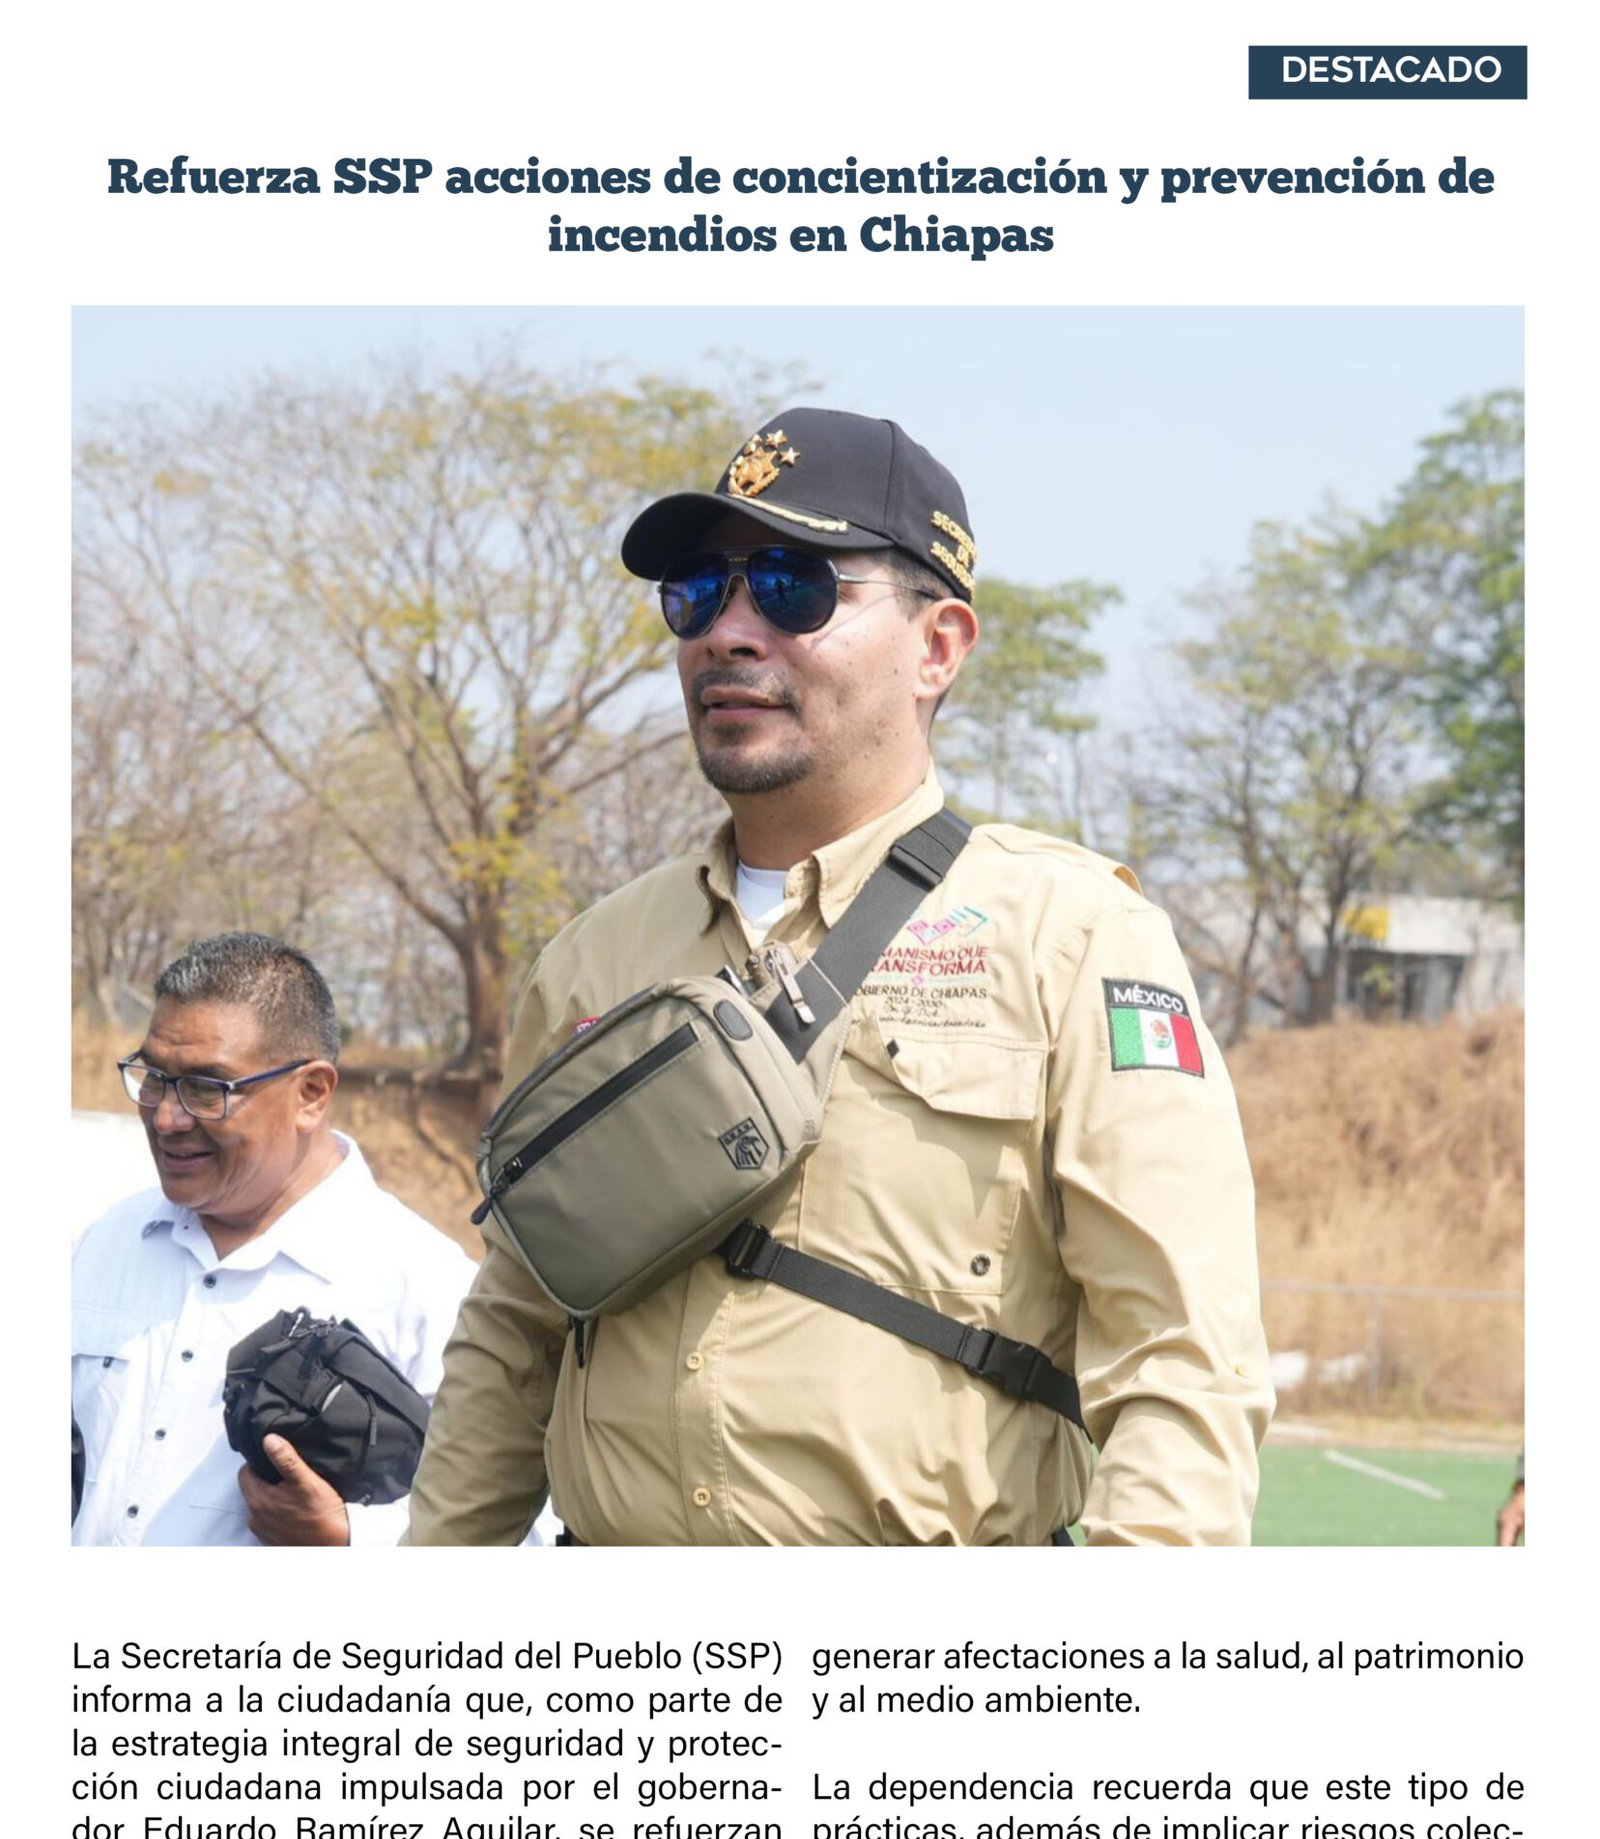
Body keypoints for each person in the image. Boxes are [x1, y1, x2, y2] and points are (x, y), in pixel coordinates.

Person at [406, 407, 1273, 1546]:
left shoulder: (1073, 937)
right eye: (696, 593)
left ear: (937, 647)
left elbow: (1182, 1365)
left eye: (793, 586)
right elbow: (514, 1331)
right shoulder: (592, 957)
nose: (728, 632)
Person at [72, 933, 475, 1546]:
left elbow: (517, 1525)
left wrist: (350, 1539)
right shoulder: (108, 1240)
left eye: (207, 1089)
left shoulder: (428, 1287)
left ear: (311, 1094)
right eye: (154, 1077)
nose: (166, 1118)